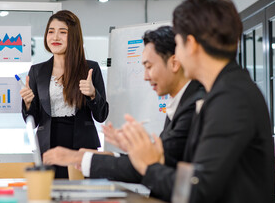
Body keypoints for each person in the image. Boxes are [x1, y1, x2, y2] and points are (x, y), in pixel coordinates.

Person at [120, 0, 275, 203]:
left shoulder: (230, 97)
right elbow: (196, 174)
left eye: (178, 42)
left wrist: (150, 165)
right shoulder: (225, 90)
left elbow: (198, 189)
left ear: (191, 45)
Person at [43, 26, 205, 183]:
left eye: (149, 66)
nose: (145, 77)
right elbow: (156, 163)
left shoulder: (195, 105)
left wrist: (84, 159)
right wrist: (117, 154)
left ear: (174, 63)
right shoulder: (182, 102)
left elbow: (157, 164)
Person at [20, 10, 109, 178]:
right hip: (48, 146)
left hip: (82, 146)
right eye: (51, 31)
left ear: (74, 36)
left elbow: (101, 115)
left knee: (82, 198)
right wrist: (28, 104)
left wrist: (92, 95)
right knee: (50, 197)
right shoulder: (37, 71)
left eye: (63, 32)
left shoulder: (90, 68)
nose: (55, 37)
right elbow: (31, 119)